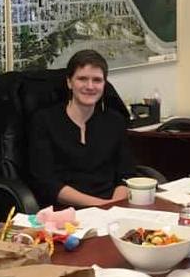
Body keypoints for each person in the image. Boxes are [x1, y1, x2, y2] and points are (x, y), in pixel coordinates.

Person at [28, 49, 137, 207]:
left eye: (97, 80)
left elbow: (126, 175)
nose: (90, 86)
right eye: (82, 79)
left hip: (111, 206)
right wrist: (101, 206)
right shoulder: (44, 121)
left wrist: (115, 205)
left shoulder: (115, 121)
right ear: (69, 82)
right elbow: (47, 183)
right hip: (66, 212)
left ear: (104, 84)